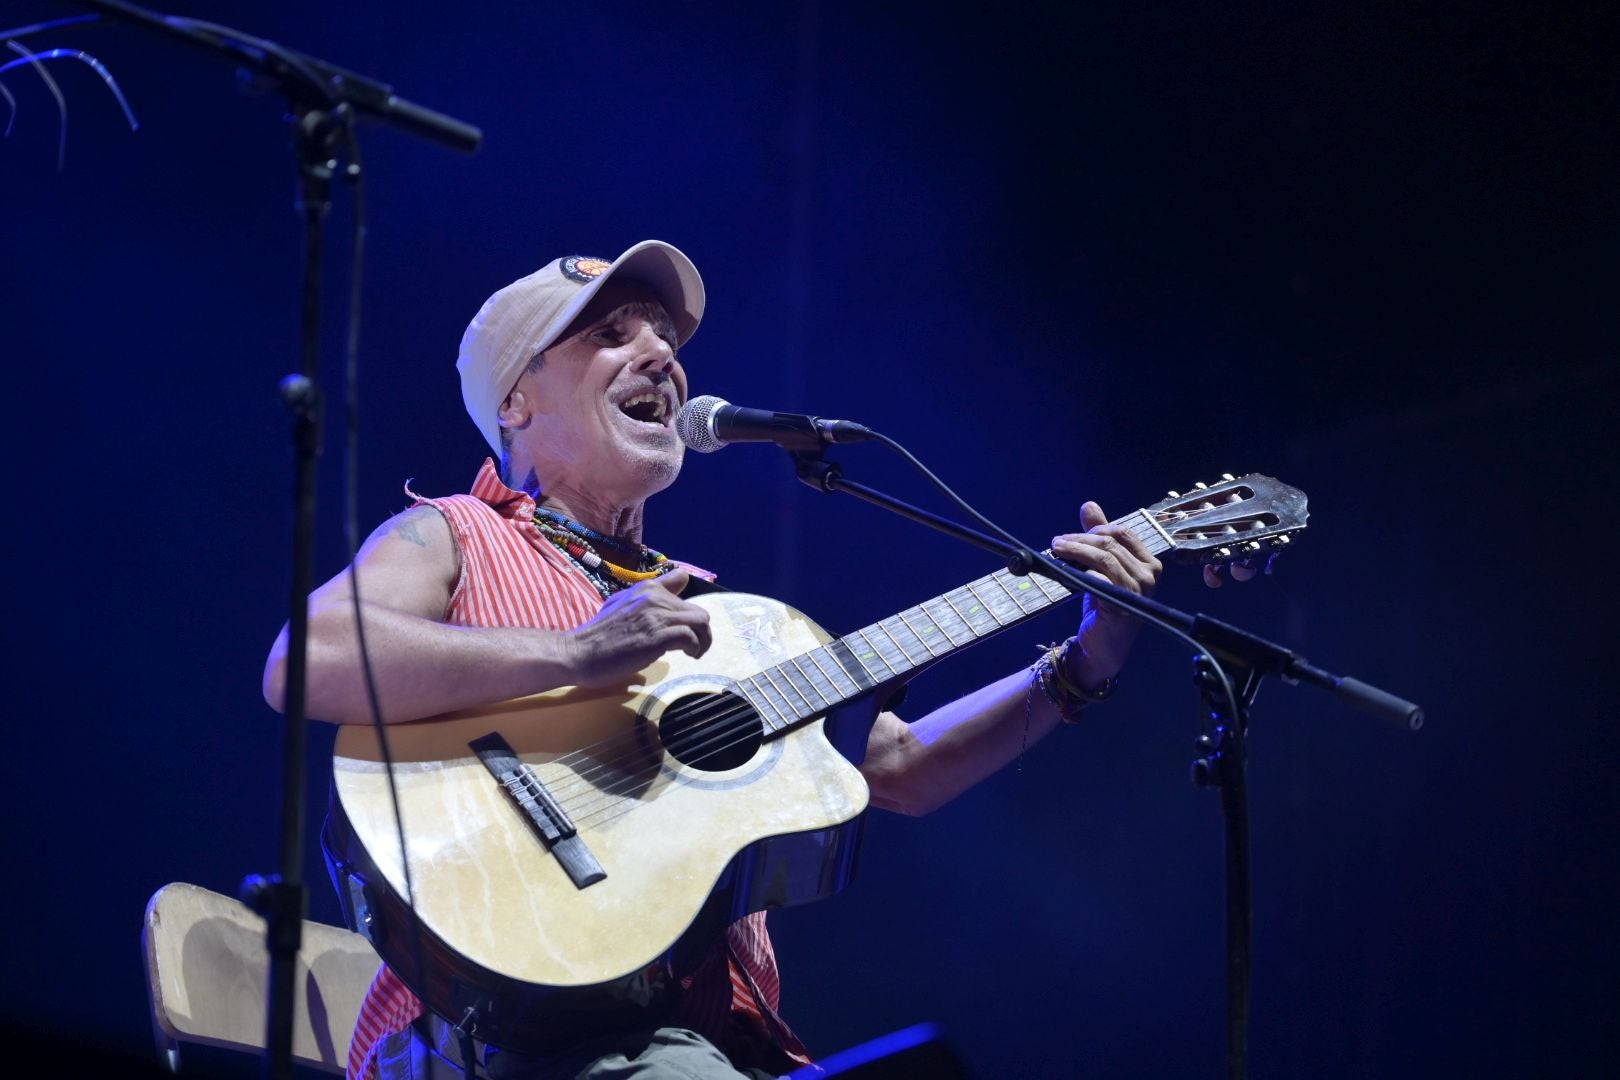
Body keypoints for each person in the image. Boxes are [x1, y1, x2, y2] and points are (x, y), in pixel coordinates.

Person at [263, 240, 1176, 1080]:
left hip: (707, 1043)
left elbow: (894, 769)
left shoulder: (719, 622)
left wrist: (1085, 660)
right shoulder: (455, 534)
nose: (660, 354)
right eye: (611, 336)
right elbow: (307, 658)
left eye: (665, 336)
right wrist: (576, 651)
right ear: (516, 402)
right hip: (494, 1035)